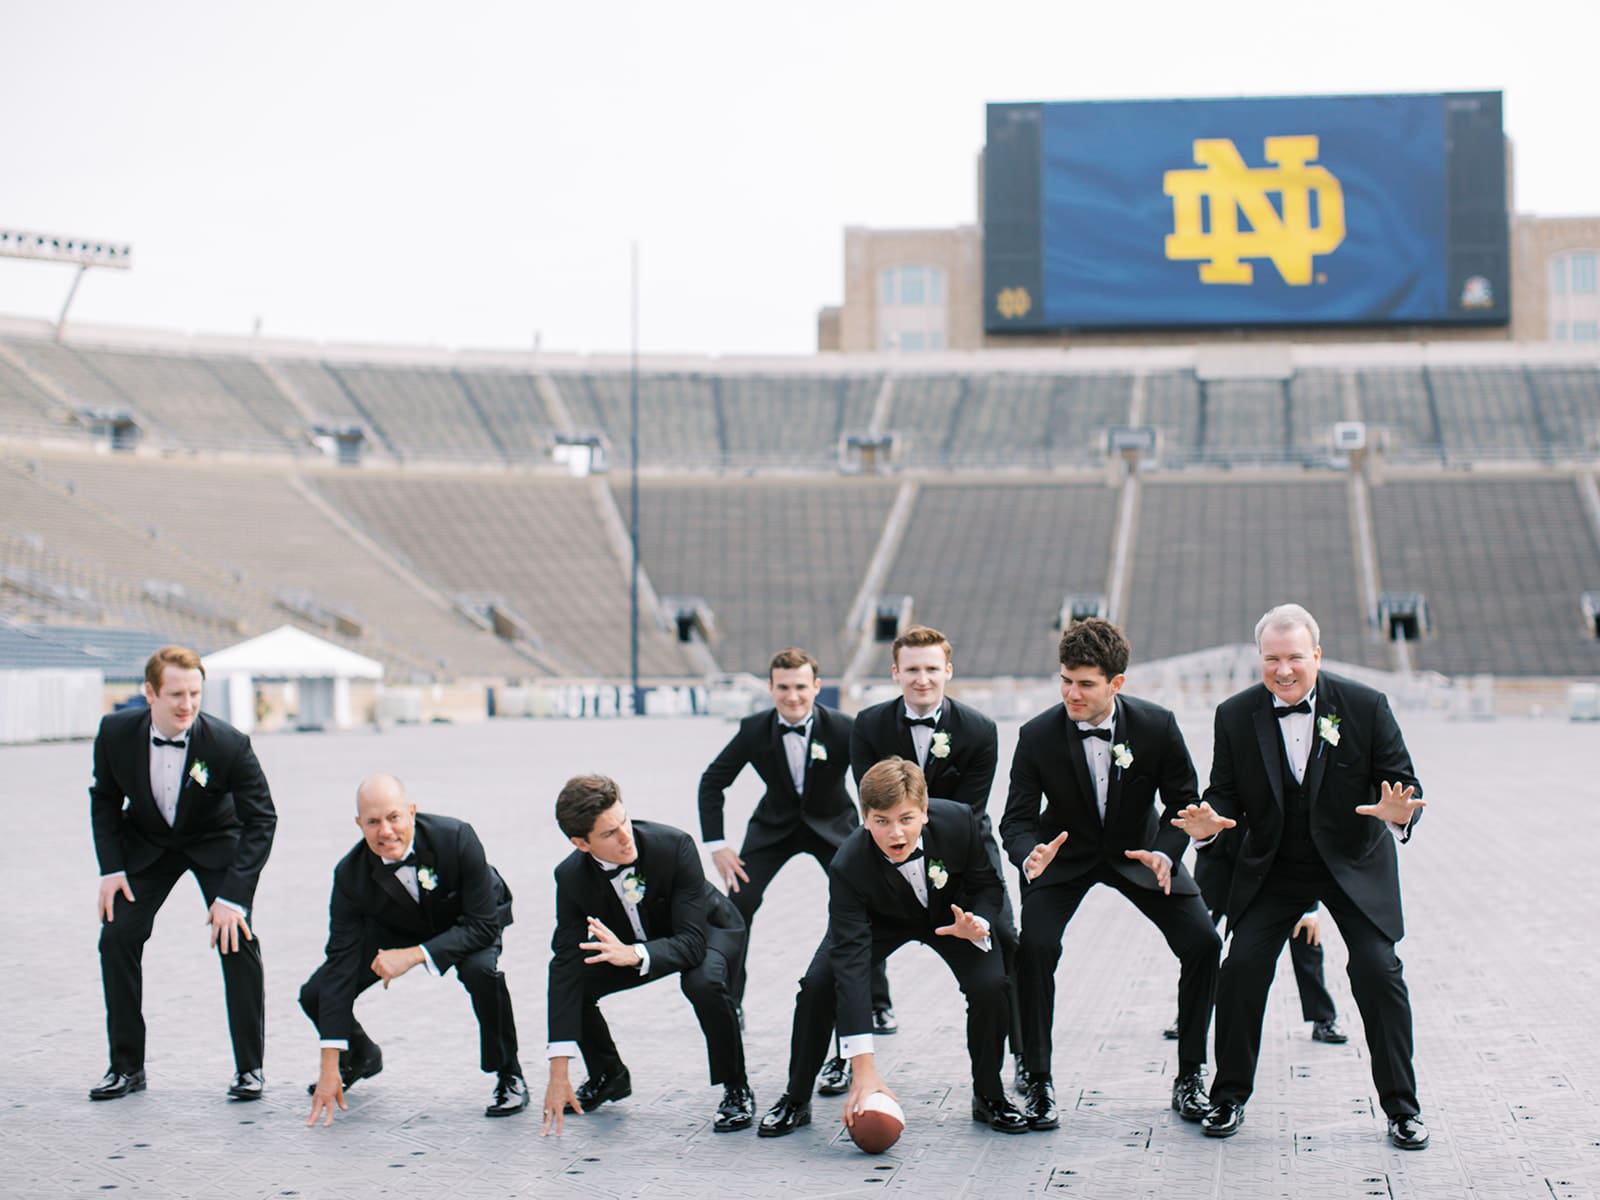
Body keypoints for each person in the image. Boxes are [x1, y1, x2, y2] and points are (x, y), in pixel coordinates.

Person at [1176, 604, 1428, 1149]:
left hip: (1351, 864)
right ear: (1259, 659)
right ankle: (1228, 1097)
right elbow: (1224, 792)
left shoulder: (1365, 705)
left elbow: (1403, 783)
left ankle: (1403, 1108)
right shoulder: (1234, 714)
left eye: (1294, 657)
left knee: (1379, 971)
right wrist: (1211, 822)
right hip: (1275, 866)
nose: (1283, 670)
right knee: (1240, 967)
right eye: (1271, 659)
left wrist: (1400, 814)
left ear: (1317, 654)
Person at [1000, 618, 1221, 1130]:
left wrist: (1168, 852)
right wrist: (1027, 853)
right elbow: (1017, 817)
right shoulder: (1036, 735)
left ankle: (1191, 1074)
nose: (1070, 693)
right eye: (1064, 681)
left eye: (1085, 684)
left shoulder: (1157, 725)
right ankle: (1036, 1076)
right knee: (1034, 949)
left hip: (1140, 853)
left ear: (1116, 684)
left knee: (1204, 942)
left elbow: (1183, 803)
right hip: (1063, 855)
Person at [758, 759, 1029, 1138]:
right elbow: (851, 967)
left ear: (925, 811)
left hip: (952, 919)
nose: (895, 833)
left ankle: (989, 1096)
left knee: (991, 987)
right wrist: (863, 1067)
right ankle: (796, 1098)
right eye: (881, 821)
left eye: (906, 819)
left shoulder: (961, 822)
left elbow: (988, 884)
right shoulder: (848, 864)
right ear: (865, 818)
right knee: (818, 984)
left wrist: (978, 924)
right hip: (878, 920)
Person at [88, 645, 276, 1102]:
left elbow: (262, 819)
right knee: (116, 938)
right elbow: (105, 800)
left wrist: (234, 897)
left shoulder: (228, 743)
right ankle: (126, 1068)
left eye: (194, 693)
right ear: (149, 693)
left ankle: (249, 1069)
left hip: (214, 844)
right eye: (175, 694)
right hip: (149, 844)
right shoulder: (114, 733)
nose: (187, 705)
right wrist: (111, 869)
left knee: (238, 939)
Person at [848, 624, 1024, 1093]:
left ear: (948, 670)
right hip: (890, 849)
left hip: (965, 852)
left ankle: (1023, 1054)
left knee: (1006, 938)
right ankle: (845, 1053)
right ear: (895, 673)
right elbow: (870, 803)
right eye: (911, 670)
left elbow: (968, 808)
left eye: (931, 669)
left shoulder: (979, 729)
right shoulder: (868, 725)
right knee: (848, 950)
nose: (921, 679)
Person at [301, 774, 525, 1125]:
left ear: (412, 813)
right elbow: (340, 961)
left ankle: (509, 1074)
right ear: (359, 824)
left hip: (470, 921)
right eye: (373, 822)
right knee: (315, 992)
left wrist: (414, 954)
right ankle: (360, 1057)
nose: (385, 832)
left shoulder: (457, 838)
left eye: (393, 818)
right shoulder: (350, 874)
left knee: (481, 972)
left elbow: (482, 925)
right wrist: (329, 1063)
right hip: (396, 924)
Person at [543, 774, 753, 1135]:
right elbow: (563, 963)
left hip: (706, 931)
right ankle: (609, 1075)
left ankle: (736, 1087)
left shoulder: (674, 845)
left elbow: (691, 943)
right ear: (581, 843)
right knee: (577, 981)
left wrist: (635, 954)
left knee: (703, 983)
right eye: (609, 834)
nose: (626, 837)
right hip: (630, 945)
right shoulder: (570, 877)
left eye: (623, 821)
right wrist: (558, 1069)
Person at [697, 647, 891, 1027]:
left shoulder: (843, 728)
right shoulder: (753, 729)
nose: (792, 696)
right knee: (737, 904)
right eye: (783, 687)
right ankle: (730, 1002)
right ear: (770, 688)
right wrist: (716, 845)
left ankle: (877, 1003)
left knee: (867, 903)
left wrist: (877, 829)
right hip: (774, 826)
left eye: (801, 686)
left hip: (833, 824)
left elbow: (875, 782)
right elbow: (712, 782)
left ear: (816, 687)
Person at [1160, 827, 1344, 1045]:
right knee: (1202, 943)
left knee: (1304, 935)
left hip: (1275, 867)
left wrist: (1310, 909)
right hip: (1223, 865)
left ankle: (1323, 1018)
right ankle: (1189, 1017)